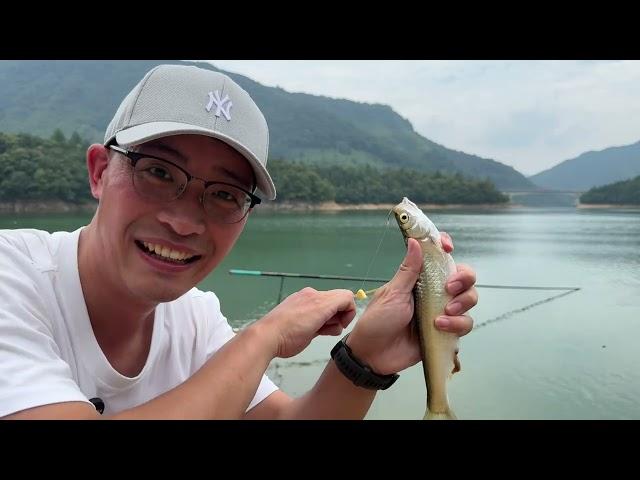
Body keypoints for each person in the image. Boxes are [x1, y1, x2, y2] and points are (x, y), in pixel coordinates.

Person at [0, 64, 477, 419]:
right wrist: (263, 336)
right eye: (159, 172)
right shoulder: (12, 276)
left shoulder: (196, 317)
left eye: (225, 194)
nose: (185, 221)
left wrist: (364, 358)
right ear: (100, 171)